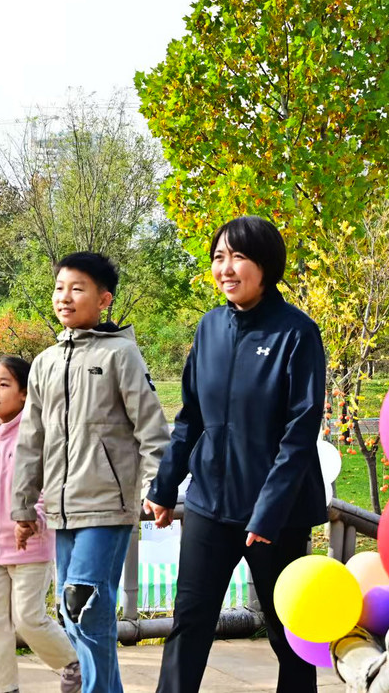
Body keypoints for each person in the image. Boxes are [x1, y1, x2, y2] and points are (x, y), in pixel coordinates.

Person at [143, 216, 327, 693]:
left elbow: (299, 435)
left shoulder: (297, 334)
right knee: (189, 624)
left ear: (266, 266)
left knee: (288, 634)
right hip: (209, 504)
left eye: (238, 257)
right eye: (218, 257)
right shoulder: (209, 328)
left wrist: (268, 514)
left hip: (274, 518)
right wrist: (164, 486)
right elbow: (190, 418)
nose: (225, 268)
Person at [11, 252, 171, 693]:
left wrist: (158, 486)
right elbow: (31, 440)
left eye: (77, 288)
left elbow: (151, 427)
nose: (64, 297)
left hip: (106, 504)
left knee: (84, 604)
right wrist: (23, 506)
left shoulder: (121, 354)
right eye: (59, 288)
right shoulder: (44, 362)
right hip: (62, 509)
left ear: (104, 299)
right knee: (73, 612)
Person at [0, 355, 81, 693]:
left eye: (4, 384)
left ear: (25, 393)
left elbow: (50, 488)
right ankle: (4, 688)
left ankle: (74, 664)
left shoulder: (37, 436)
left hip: (30, 548)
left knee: (28, 618)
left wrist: (31, 519)